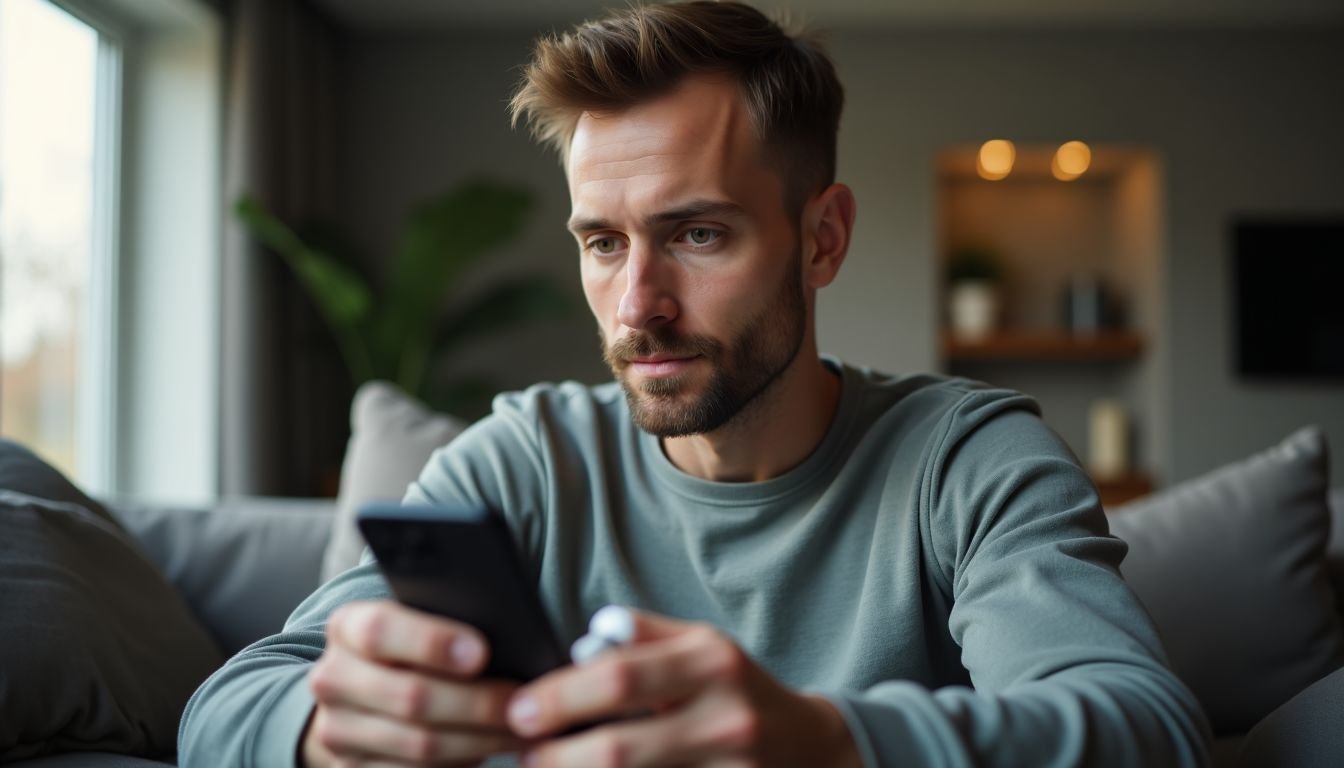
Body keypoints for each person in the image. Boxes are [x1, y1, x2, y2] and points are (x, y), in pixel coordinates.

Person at [180, 2, 1210, 766]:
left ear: (822, 238)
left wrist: (827, 740)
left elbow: (1149, 724)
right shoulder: (528, 455)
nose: (637, 304)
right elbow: (227, 706)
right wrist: (326, 730)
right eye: (602, 242)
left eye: (698, 234)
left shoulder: (968, 458)